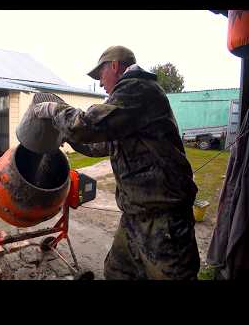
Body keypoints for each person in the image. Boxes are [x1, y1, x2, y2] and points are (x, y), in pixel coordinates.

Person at [34, 45, 200, 280]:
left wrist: (53, 109)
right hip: (134, 216)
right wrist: (68, 137)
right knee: (117, 272)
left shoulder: (138, 88)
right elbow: (99, 144)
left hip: (164, 219)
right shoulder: (127, 109)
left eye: (100, 75)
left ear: (114, 66)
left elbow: (88, 126)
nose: (100, 83)